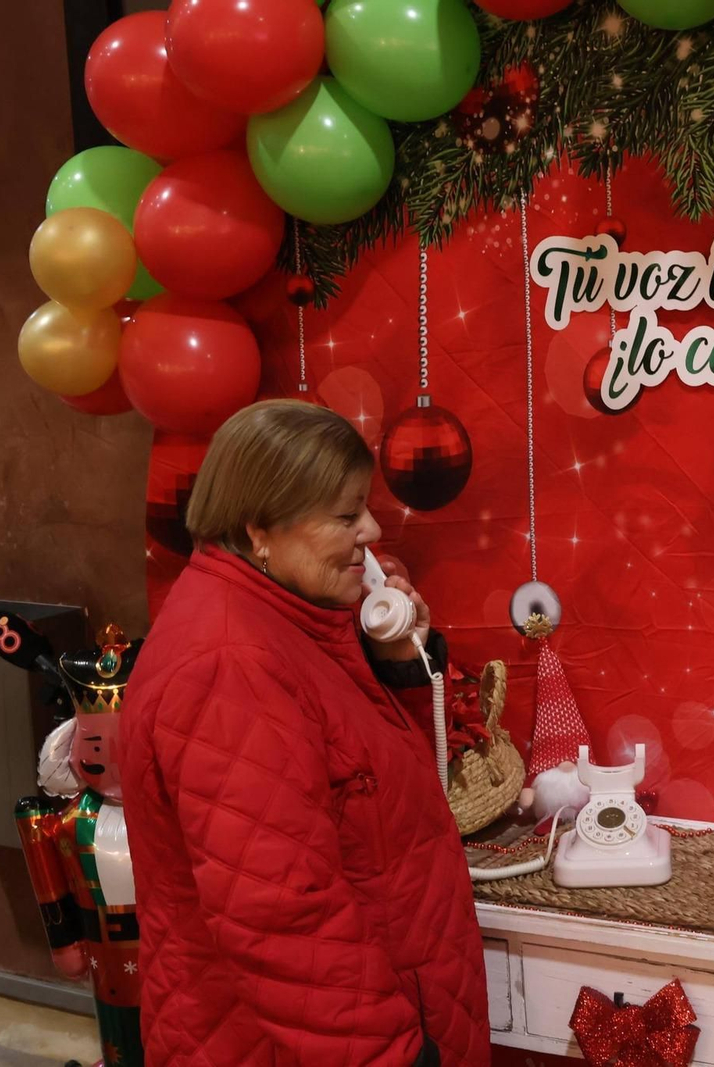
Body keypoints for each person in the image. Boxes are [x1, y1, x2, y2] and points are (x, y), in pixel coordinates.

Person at [119, 400, 485, 1067]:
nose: (372, 529)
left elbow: (361, 797)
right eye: (346, 516)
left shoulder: (297, 623)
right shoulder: (229, 664)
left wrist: (398, 665)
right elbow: (282, 912)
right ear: (259, 529)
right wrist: (391, 1055)